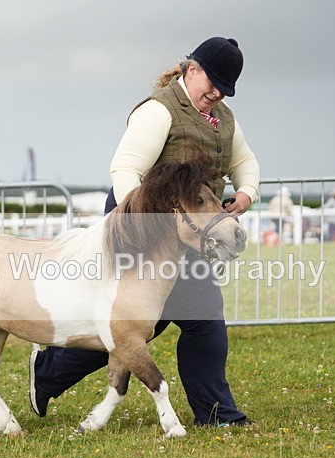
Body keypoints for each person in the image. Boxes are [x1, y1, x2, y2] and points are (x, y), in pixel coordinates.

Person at [28, 37, 260, 427]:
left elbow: (245, 160)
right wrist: (143, 225)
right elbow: (125, 170)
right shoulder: (158, 111)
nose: (217, 92)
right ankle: (49, 370)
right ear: (192, 70)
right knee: (132, 324)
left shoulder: (223, 118)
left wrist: (246, 193)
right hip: (139, 226)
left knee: (185, 321)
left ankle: (217, 414)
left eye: (226, 87)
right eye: (213, 81)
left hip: (190, 230)